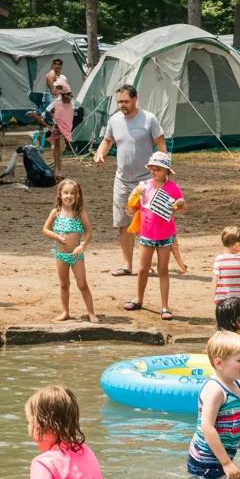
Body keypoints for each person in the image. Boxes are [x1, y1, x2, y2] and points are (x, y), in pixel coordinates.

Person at [92, 83, 166, 277]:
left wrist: (162, 169)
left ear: (135, 99)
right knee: (123, 222)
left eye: (125, 101)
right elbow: (107, 141)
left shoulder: (149, 119)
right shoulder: (114, 120)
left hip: (146, 180)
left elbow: (160, 143)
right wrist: (101, 153)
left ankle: (146, 264)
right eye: (119, 102)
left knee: (147, 223)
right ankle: (127, 264)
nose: (122, 105)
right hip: (122, 180)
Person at [124, 151, 184, 321]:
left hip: (165, 235)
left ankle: (165, 306)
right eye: (152, 168)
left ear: (167, 171)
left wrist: (178, 204)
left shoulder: (173, 188)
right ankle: (139, 298)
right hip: (146, 234)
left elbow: (182, 204)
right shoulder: (143, 186)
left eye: (158, 169)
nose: (154, 171)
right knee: (142, 269)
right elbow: (130, 210)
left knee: (163, 270)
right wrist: (133, 199)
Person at [187, 331, 240, 479]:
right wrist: (226, 462)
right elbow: (207, 427)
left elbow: (237, 426)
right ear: (219, 363)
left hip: (222, 458)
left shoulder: (236, 386)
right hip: (205, 461)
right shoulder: (216, 390)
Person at [43, 179, 98, 323]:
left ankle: (91, 312)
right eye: (66, 193)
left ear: (78, 195)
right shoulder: (56, 212)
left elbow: (88, 232)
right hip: (61, 255)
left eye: (72, 193)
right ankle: (65, 311)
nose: (69, 196)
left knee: (82, 284)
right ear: (60, 195)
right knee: (63, 284)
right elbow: (45, 229)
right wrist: (56, 236)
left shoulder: (80, 213)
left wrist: (82, 245)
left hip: (76, 255)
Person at [39, 80, 75, 180]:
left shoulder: (71, 104)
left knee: (59, 151)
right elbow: (46, 114)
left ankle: (57, 170)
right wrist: (54, 125)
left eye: (69, 94)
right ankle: (57, 170)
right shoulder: (56, 103)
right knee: (57, 150)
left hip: (63, 130)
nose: (68, 96)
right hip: (56, 130)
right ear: (62, 95)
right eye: (66, 94)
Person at [213, 226, 240, 304]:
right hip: (237, 299)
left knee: (223, 316)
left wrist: (214, 295)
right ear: (237, 245)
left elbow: (215, 279)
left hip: (222, 299)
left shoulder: (219, 259)